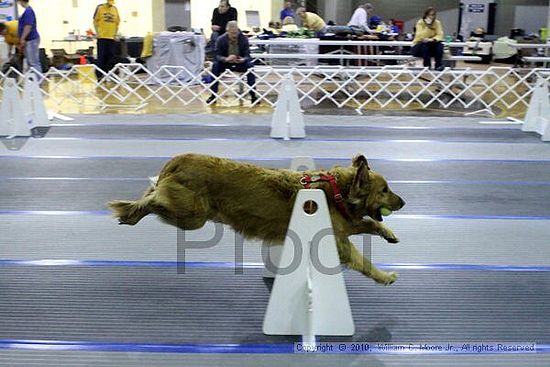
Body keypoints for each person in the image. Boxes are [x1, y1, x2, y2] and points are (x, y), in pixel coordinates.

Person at [207, 21, 257, 105]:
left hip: (240, 62)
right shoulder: (221, 39)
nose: (234, 35)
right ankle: (213, 95)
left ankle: (253, 95)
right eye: (232, 33)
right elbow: (216, 55)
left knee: (250, 66)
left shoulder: (243, 39)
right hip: (225, 63)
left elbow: (248, 55)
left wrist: (243, 59)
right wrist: (226, 59)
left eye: (236, 32)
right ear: (227, 31)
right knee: (215, 66)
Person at [93, 0, 120, 80]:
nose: (110, 5)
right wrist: (97, 33)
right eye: (109, 3)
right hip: (102, 37)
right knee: (101, 57)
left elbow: (117, 23)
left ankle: (111, 75)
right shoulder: (100, 8)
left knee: (111, 57)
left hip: (111, 38)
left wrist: (115, 34)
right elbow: (95, 21)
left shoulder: (115, 9)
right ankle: (99, 76)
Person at [17, 0, 41, 74]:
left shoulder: (28, 11)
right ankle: (33, 82)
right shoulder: (27, 11)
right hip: (29, 40)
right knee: (30, 62)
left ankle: (38, 82)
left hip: (31, 39)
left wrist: (22, 38)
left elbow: (28, 26)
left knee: (33, 62)